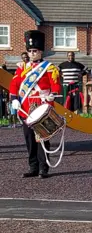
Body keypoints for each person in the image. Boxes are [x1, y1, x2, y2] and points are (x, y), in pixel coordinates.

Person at [9, 30, 62, 179]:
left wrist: (52, 94)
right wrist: (14, 99)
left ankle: (43, 167)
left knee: (42, 137)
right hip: (26, 108)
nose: (32, 53)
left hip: (41, 105)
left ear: (40, 51)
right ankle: (33, 166)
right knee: (29, 138)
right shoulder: (22, 68)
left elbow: (56, 85)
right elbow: (14, 85)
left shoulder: (49, 68)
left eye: (35, 51)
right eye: (30, 51)